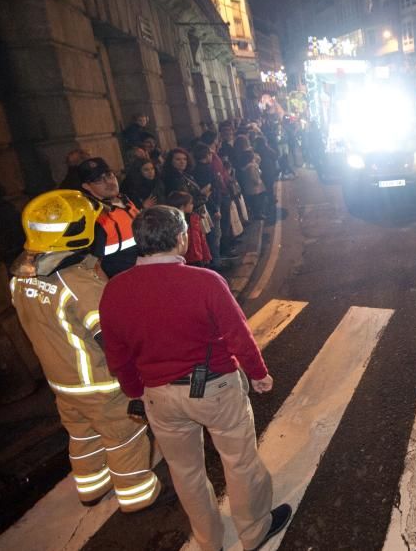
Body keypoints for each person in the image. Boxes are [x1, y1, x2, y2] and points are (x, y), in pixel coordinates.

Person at [100, 206, 290, 551]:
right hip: (214, 387)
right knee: (240, 461)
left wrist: (135, 391)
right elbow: (238, 336)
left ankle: (208, 541)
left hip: (158, 394)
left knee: (185, 473)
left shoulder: (114, 290)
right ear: (180, 237)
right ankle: (254, 530)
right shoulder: (205, 282)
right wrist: (258, 374)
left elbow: (117, 355)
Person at [9, 190, 167, 511]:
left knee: (82, 436)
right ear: (78, 233)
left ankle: (91, 488)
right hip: (100, 385)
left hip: (61, 382)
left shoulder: (20, 280)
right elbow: (113, 339)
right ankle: (137, 496)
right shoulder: (80, 286)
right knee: (125, 438)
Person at [78, 158, 140, 277]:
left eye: (109, 175)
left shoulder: (125, 200)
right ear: (87, 186)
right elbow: (93, 264)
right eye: (98, 180)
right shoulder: (95, 217)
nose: (108, 182)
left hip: (143, 273)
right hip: (122, 282)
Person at [167, 190, 212, 267]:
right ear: (182, 206)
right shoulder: (172, 224)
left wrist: (206, 255)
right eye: (190, 203)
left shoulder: (195, 218)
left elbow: (201, 238)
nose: (193, 205)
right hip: (184, 260)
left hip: (198, 257)